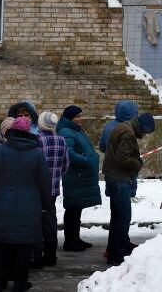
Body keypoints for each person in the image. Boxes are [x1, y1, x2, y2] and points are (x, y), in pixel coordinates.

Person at [0, 116, 52, 292]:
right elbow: (45, 181)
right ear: (29, 132)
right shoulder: (37, 153)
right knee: (24, 246)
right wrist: (45, 203)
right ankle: (20, 283)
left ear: (12, 131)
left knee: (1, 244)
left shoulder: (1, 151)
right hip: (29, 205)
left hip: (3, 203)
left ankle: (0, 282)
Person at [103, 109, 154, 264]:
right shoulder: (128, 133)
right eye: (146, 132)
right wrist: (138, 163)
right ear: (142, 126)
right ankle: (116, 255)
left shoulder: (123, 127)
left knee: (118, 216)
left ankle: (119, 247)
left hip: (114, 177)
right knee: (122, 217)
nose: (145, 135)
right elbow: (122, 158)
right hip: (119, 180)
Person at [56, 105, 101, 252]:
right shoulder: (66, 131)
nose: (81, 119)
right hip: (75, 176)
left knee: (77, 209)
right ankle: (70, 241)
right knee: (73, 209)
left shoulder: (75, 129)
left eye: (81, 115)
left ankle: (75, 238)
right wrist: (87, 160)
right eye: (78, 116)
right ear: (70, 118)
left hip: (80, 177)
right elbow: (68, 153)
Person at [37, 111, 69, 267]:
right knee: (50, 221)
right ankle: (51, 255)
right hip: (53, 189)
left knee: (36, 222)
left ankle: (37, 254)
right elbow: (66, 165)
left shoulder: (37, 140)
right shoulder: (61, 140)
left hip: (37, 189)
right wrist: (56, 175)